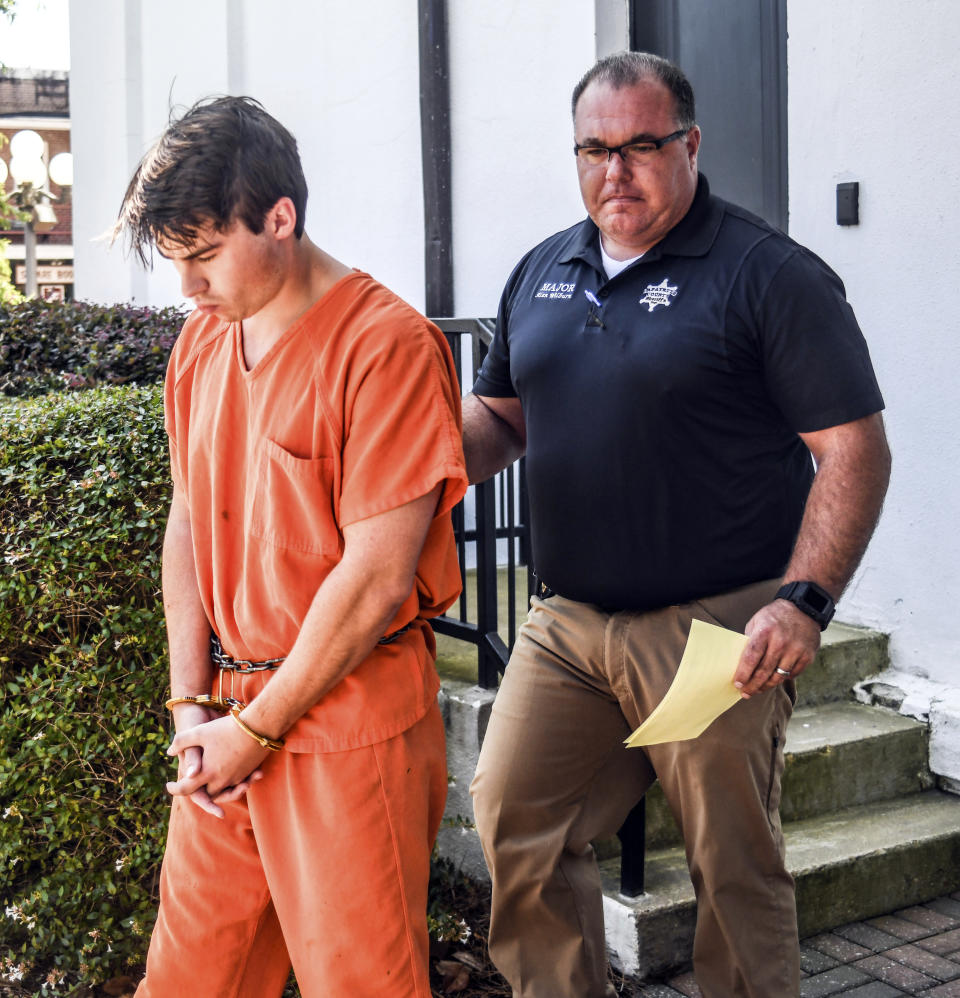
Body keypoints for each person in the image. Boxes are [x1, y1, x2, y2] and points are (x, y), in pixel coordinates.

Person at [463, 52, 891, 998]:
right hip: (569, 626)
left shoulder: (768, 274)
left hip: (717, 633)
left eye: (642, 146)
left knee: (730, 867)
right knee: (516, 822)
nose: (615, 172)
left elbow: (853, 453)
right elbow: (502, 421)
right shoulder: (544, 268)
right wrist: (405, 462)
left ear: (691, 145)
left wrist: (805, 602)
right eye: (595, 149)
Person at [114, 96, 468, 998]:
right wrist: (191, 706)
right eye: (175, 262)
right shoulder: (199, 346)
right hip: (225, 717)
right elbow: (187, 524)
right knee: (188, 982)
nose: (187, 288)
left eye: (202, 256)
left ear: (281, 217)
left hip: (351, 724)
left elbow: (379, 576)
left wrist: (257, 730)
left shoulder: (386, 347)